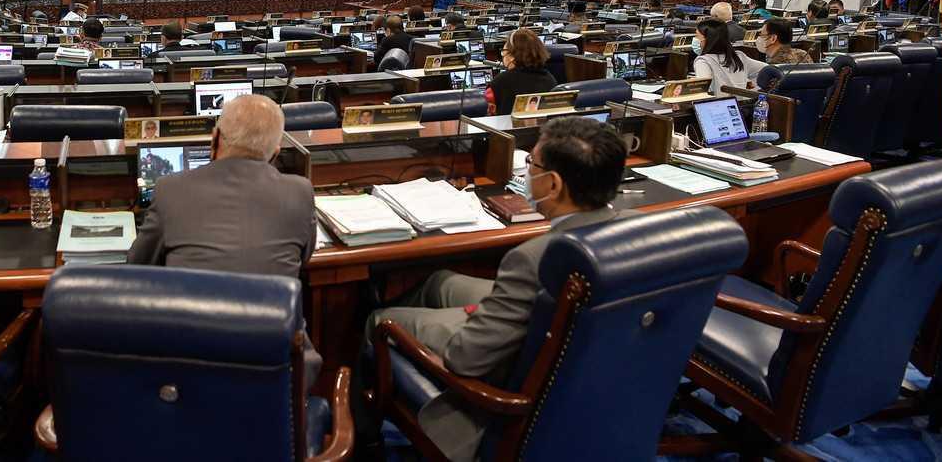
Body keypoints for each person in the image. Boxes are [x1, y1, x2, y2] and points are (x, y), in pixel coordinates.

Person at [360, 117, 629, 461]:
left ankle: (364, 436)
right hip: (576, 351)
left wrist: (472, 320)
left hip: (510, 379)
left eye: (532, 164)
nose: (527, 172)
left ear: (554, 184)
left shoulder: (533, 259)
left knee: (378, 320)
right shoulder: (638, 229)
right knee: (439, 282)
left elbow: (465, 359)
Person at [128, 95, 319, 386]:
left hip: (187, 375)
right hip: (275, 377)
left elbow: (137, 265)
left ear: (215, 137)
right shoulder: (301, 192)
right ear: (276, 152)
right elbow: (304, 257)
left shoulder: (170, 189)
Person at [487, 28, 556, 114]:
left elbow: (487, 111)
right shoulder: (550, 79)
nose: (503, 55)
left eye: (503, 51)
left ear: (512, 56)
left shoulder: (500, 81)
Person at [692, 17, 766, 95]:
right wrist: (753, 89)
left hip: (718, 102)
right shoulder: (739, 57)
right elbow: (766, 69)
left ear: (707, 39)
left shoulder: (703, 61)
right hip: (741, 101)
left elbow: (702, 89)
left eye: (697, 36)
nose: (695, 39)